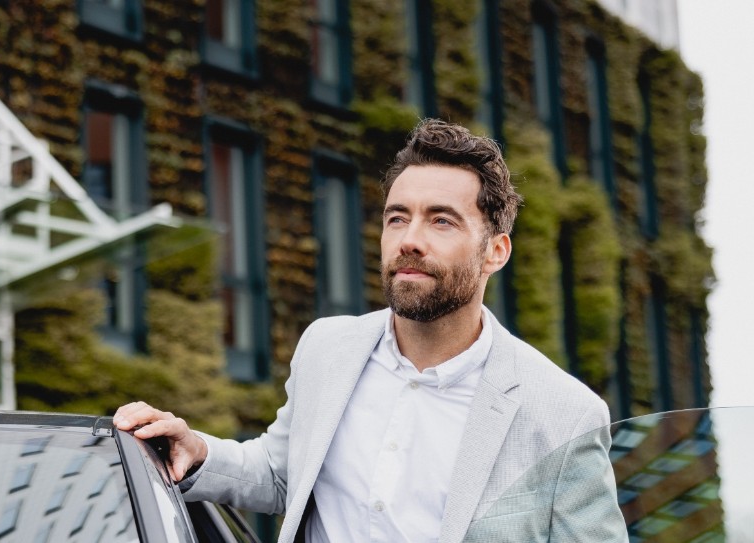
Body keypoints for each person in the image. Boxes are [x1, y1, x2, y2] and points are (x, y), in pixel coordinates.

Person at [114, 119, 626, 543]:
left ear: (495, 251)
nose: (410, 240)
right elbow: (282, 474)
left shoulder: (564, 414)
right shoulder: (327, 348)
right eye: (397, 218)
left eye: (441, 221)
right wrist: (197, 450)